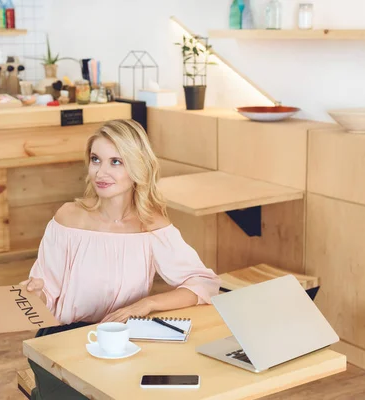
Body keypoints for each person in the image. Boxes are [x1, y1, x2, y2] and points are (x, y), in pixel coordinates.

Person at [20, 119, 221, 399]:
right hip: (63, 341)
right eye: (96, 159)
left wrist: (147, 303)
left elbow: (203, 283)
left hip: (121, 341)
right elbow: (47, 295)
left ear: (138, 168)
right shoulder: (68, 217)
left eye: (116, 161)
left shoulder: (151, 226)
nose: (101, 172)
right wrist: (33, 295)